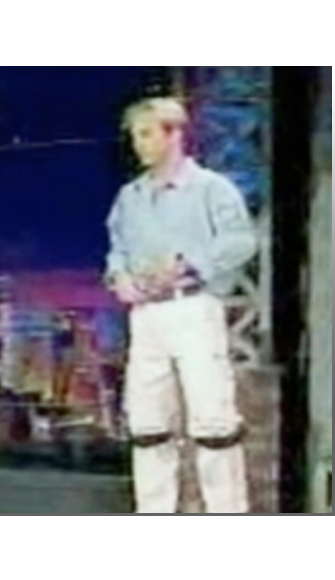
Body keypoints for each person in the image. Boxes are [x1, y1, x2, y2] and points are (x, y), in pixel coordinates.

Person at [105, 97, 257, 513]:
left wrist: (189, 264)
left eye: (146, 134)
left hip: (193, 308)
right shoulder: (130, 196)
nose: (138, 144)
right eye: (135, 136)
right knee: (148, 423)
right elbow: (117, 249)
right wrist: (120, 277)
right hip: (146, 315)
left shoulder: (211, 188)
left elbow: (241, 241)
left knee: (212, 421)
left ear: (174, 134)